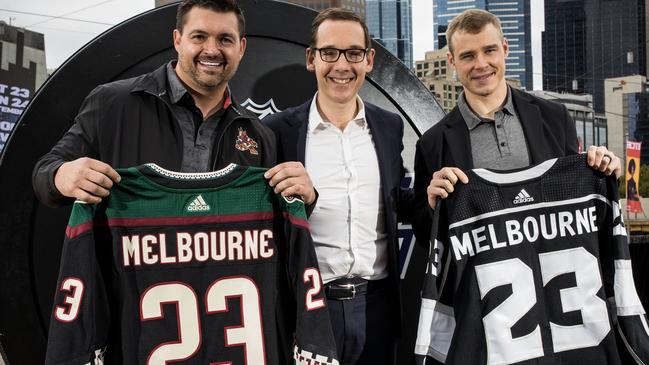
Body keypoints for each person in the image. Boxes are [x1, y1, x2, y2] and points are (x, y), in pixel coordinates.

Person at [32, 0, 312, 207]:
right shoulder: (112, 102)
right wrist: (62, 176)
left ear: (241, 48)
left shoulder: (257, 134)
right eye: (199, 36)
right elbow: (45, 173)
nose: (212, 50)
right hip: (129, 281)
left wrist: (303, 199)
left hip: (218, 283)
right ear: (178, 40)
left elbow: (273, 223)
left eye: (225, 39)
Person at [263, 8, 411, 365]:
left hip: (378, 307)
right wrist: (305, 202)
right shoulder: (275, 130)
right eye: (329, 53)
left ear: (369, 60)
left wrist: (435, 198)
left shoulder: (389, 126)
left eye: (354, 53)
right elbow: (261, 219)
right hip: (307, 308)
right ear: (312, 59)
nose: (341, 65)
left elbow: (397, 202)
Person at [412, 9, 621, 243]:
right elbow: (423, 234)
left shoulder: (555, 118)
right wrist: (432, 205)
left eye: (489, 50)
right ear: (452, 61)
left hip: (554, 272)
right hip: (480, 279)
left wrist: (603, 173)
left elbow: (581, 204)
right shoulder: (432, 143)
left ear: (505, 48)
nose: (481, 64)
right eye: (468, 56)